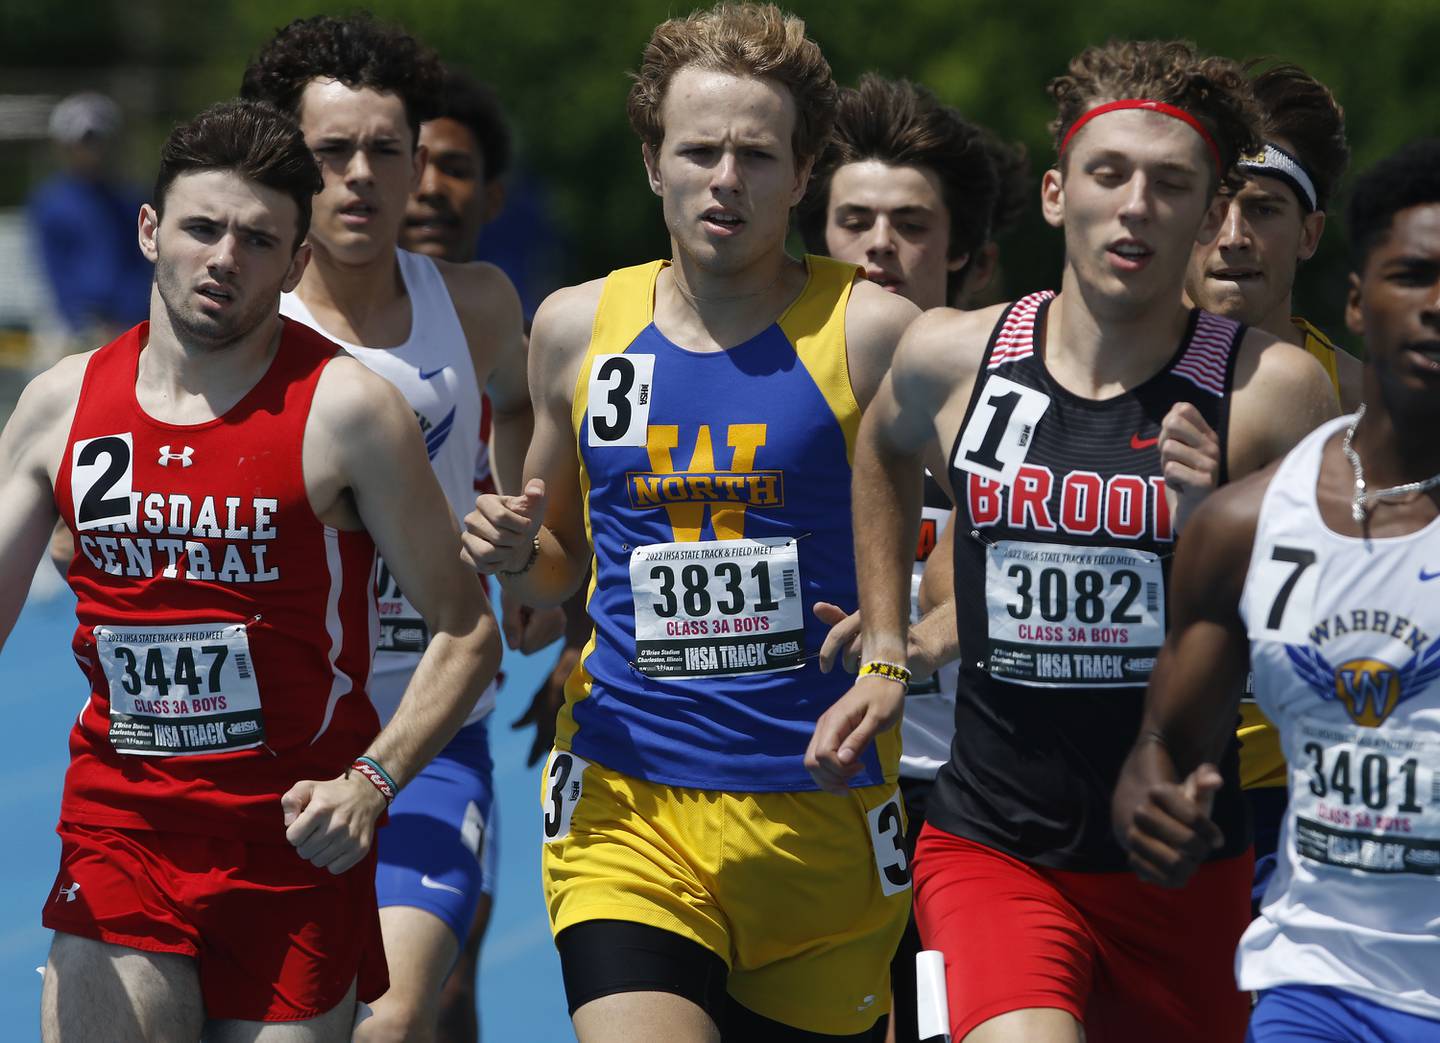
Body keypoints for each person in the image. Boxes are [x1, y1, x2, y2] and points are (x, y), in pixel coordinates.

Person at [807, 39, 1339, 1043]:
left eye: (1171, 183)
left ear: (1206, 210)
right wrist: (888, 647)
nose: (1136, 205)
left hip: (1184, 860)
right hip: (992, 847)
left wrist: (1223, 518)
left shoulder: (1271, 390)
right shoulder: (952, 355)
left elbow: (1327, 616)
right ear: (1057, 193)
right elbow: (878, 456)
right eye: (1109, 174)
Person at [461, 4, 919, 1039]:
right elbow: (552, 582)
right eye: (699, 149)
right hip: (630, 804)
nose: (726, 178)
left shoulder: (877, 331)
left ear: (804, 175)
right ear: (651, 161)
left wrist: (904, 640)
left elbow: (1000, 512)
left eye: (757, 154)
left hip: (818, 815)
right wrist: (513, 552)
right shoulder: (578, 328)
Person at [0, 98, 499, 1041]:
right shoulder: (59, 404)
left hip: (295, 845)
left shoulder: (350, 411)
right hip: (123, 831)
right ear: (150, 231)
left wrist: (373, 781)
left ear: (297, 262)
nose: (224, 257)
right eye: (201, 228)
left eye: (259, 240)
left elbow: (468, 632)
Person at [1113, 137, 1440, 1043]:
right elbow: (1161, 747)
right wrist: (1151, 808)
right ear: (1356, 302)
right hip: (1316, 987)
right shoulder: (1246, 525)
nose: (1438, 306)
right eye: (1414, 274)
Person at [240, 17, 528, 1043]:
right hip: (252, 748)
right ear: (287, 164)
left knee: (392, 1015)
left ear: (417, 163)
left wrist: (526, 533)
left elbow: (534, 433)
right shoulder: (236, 324)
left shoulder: (480, 306)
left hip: (426, 737)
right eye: (331, 154)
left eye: (385, 151)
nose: (360, 176)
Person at [796, 72, 997, 1043]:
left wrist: (909, 642)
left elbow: (1009, 578)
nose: (880, 243)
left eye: (911, 222)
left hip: (968, 796)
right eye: (855, 217)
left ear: (959, 247)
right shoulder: (771, 400)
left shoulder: (1013, 395)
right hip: (806, 782)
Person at [398, 64, 565, 1043]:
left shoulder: (501, 318)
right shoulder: (286, 309)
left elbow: (557, 538)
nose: (423, 185)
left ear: (491, 196)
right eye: (403, 158)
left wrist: (561, 624)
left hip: (441, 709)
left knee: (439, 994)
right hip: (294, 717)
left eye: (452, 167)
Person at [1181, 60, 1356, 916]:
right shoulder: (1085, 381)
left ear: (1311, 233)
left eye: (1265, 208)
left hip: (1312, 808)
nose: (1234, 234)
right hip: (1119, 786)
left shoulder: (1380, 404)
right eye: (1213, 204)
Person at [27, 91, 153, 350]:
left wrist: (129, 318)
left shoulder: (132, 199)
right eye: (82, 142)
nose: (91, 151)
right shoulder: (50, 202)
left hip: (130, 322)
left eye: (98, 141)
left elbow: (143, 263)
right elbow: (55, 271)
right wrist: (81, 323)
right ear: (63, 146)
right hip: (73, 326)